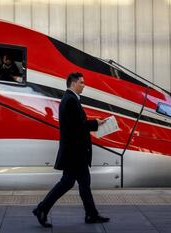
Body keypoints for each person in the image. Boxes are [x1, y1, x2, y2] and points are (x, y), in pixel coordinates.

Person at [33, 72, 110, 228]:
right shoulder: (70, 101)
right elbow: (79, 126)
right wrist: (96, 123)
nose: (84, 85)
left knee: (82, 183)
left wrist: (95, 123)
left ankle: (91, 214)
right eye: (82, 82)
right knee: (68, 183)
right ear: (73, 83)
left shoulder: (71, 99)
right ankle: (42, 208)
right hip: (75, 153)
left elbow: (77, 124)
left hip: (76, 152)